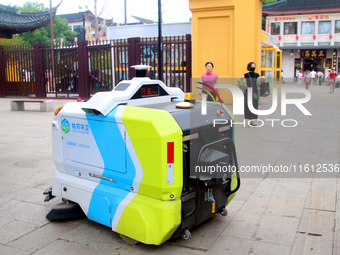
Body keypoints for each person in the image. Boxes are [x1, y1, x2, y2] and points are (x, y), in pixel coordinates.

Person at [241, 62, 260, 126]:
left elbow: (258, 83)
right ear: (249, 67)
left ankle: (253, 120)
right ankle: (250, 120)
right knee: (248, 106)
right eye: (252, 66)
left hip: (254, 92)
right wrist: (244, 85)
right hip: (248, 92)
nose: (253, 67)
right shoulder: (246, 75)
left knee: (254, 106)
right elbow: (239, 80)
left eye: (254, 66)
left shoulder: (257, 75)